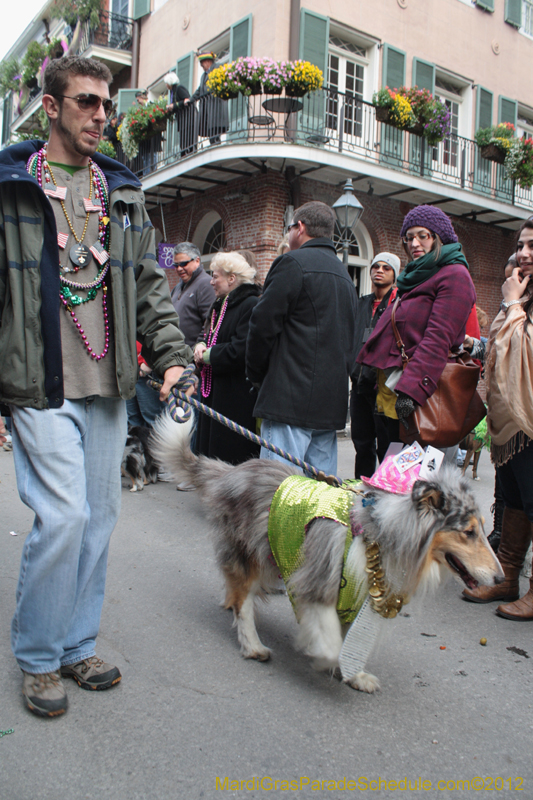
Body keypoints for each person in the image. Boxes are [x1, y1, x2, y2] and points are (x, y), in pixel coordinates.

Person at [0, 55, 192, 718]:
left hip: (107, 381)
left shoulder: (120, 192)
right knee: (65, 516)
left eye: (105, 104)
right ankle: (37, 655)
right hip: (37, 381)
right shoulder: (11, 188)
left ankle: (76, 642)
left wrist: (171, 356)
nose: (100, 115)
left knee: (100, 520)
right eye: (85, 102)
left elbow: (145, 285)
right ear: (50, 107)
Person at [246, 201, 358, 476]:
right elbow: (352, 340)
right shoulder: (345, 277)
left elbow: (262, 325)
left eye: (290, 227)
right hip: (329, 403)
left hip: (289, 399)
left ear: (301, 227)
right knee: (318, 496)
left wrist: (257, 375)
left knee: (277, 492)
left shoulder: (291, 263)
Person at [357, 205, 476, 453]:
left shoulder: (454, 274)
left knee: (420, 487)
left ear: (438, 237)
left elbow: (437, 339)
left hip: (423, 399)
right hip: (392, 395)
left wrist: (411, 392)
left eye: (423, 235)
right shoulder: (415, 276)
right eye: (409, 237)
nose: (414, 243)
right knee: (393, 481)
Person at [462, 220, 533, 618]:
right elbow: (500, 350)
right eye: (521, 244)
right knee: (514, 503)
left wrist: (513, 304)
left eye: (532, 246)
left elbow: (522, 354)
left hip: (530, 421)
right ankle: (506, 577)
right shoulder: (524, 296)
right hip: (509, 424)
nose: (523, 253)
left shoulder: (520, 301)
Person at [194, 252, 261, 464]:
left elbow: (240, 349)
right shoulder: (219, 304)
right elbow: (210, 335)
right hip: (215, 391)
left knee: (230, 452)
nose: (211, 282)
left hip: (235, 395)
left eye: (215, 276)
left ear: (232, 279)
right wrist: (200, 344)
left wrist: (207, 355)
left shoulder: (250, 304)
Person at [351, 252, 400, 478]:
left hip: (383, 388)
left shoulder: (398, 304)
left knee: (387, 448)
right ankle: (360, 491)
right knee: (362, 444)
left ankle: (386, 493)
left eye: (386, 268)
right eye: (375, 266)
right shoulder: (361, 303)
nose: (379, 270)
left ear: (395, 274)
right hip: (359, 385)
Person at [170, 242, 216, 347]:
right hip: (176, 355)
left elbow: (209, 323)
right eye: (176, 265)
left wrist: (195, 353)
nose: (179, 269)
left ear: (197, 261)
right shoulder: (177, 287)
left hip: (191, 358)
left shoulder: (206, 285)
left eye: (183, 264)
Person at [185, 52, 228, 145]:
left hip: (216, 106)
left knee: (216, 129)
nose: (201, 65)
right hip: (207, 108)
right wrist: (191, 99)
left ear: (208, 61)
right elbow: (200, 89)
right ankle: (213, 144)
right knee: (211, 131)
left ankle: (216, 144)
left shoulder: (217, 67)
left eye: (202, 62)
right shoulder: (203, 76)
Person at [164, 72, 198, 157]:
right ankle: (185, 155)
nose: (166, 85)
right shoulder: (173, 92)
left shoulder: (179, 88)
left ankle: (189, 154)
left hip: (188, 120)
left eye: (166, 83)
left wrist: (174, 105)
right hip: (183, 121)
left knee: (188, 141)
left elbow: (187, 100)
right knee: (183, 143)